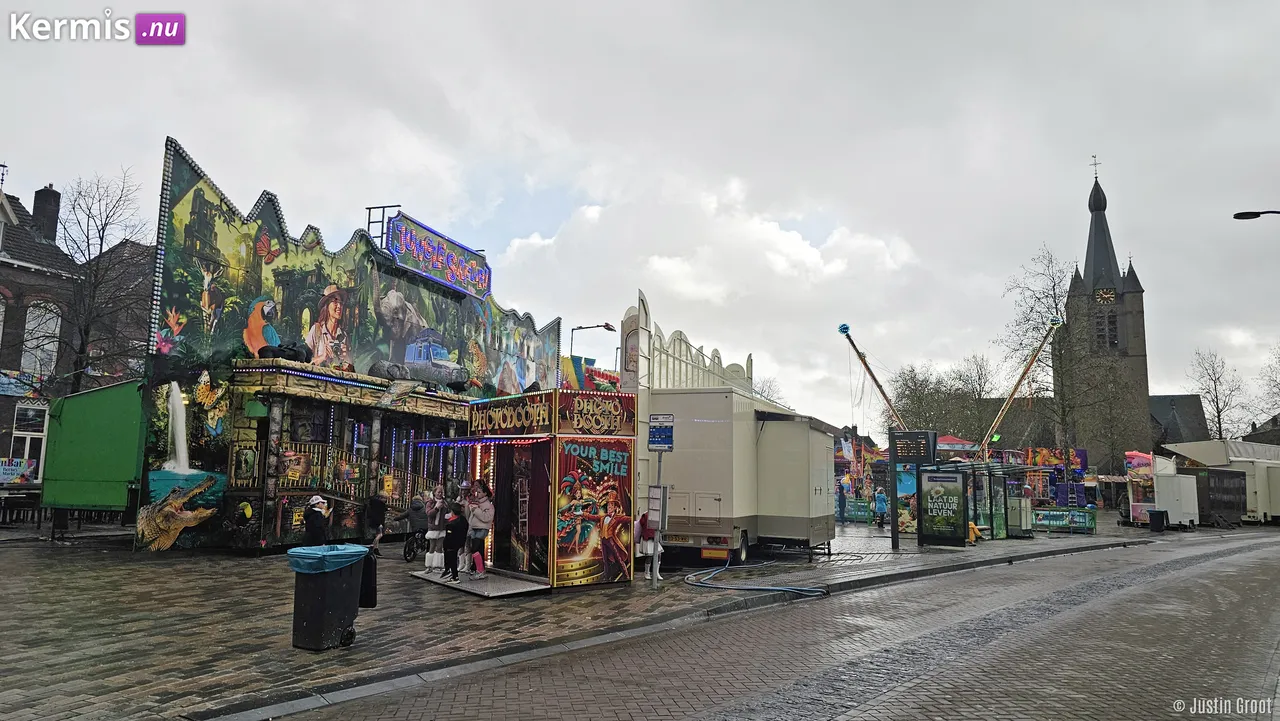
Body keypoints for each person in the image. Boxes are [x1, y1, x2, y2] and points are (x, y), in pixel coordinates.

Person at [304, 284, 352, 369]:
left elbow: (350, 370)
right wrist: (322, 357)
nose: (339, 306)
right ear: (327, 305)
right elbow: (304, 363)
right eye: (335, 301)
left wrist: (346, 357)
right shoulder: (316, 330)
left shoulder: (344, 336)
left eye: (341, 303)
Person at [465, 484, 495, 579]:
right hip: (474, 528)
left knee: (475, 548)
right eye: (477, 492)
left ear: (485, 493)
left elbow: (486, 518)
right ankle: (479, 569)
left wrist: (476, 510)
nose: (477, 494)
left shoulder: (488, 505)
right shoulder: (476, 503)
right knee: (477, 550)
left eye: (480, 492)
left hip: (482, 528)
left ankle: (480, 570)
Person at [442, 503, 469, 584]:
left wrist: (446, 545)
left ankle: (455, 577)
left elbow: (449, 536)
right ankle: (453, 575)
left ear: (452, 511)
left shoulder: (451, 523)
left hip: (451, 544)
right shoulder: (464, 520)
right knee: (453, 559)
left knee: (452, 560)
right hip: (460, 542)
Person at [425, 485, 448, 573]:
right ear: (434, 493)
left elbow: (447, 514)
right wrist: (436, 508)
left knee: (439, 547)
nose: (440, 494)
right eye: (438, 492)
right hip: (433, 528)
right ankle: (429, 566)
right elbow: (429, 513)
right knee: (432, 546)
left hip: (442, 528)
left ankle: (438, 566)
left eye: (441, 492)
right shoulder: (430, 502)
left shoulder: (445, 503)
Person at [636, 510, 662, 581]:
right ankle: (647, 572)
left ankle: (656, 572)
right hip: (648, 537)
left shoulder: (657, 514)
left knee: (659, 555)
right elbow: (641, 523)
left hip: (655, 537)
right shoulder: (645, 515)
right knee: (649, 556)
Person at [365, 492, 388, 556]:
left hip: (373, 520)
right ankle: (372, 546)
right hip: (378, 521)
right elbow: (379, 514)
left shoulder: (373, 503)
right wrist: (380, 523)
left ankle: (376, 549)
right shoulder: (380, 504)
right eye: (385, 498)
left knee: (377, 535)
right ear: (381, 498)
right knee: (380, 534)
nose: (385, 500)